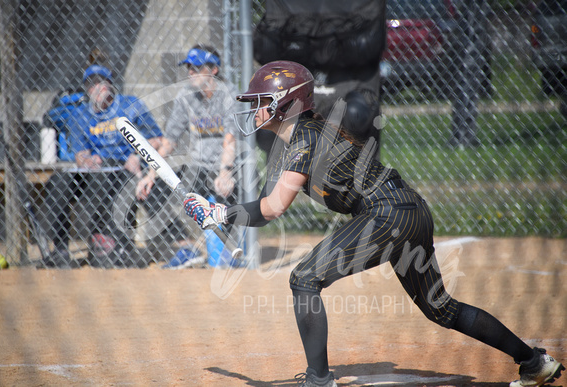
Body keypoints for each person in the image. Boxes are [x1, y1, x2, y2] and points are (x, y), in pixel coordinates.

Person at [182, 61, 564, 386]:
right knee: (441, 309)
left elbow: (274, 207)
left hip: (386, 213)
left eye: (262, 102)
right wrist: (219, 212)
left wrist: (220, 213)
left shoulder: (302, 137)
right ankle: (534, 363)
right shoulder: (293, 142)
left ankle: (319, 380)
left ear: (287, 104)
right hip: (409, 210)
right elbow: (264, 210)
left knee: (304, 278)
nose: (255, 110)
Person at [41, 64, 168, 268]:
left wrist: (136, 155)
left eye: (101, 82)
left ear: (110, 84)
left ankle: (119, 248)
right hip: (96, 171)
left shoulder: (130, 105)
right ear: (86, 90)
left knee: (116, 182)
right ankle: (61, 251)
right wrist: (89, 161)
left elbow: (157, 139)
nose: (97, 88)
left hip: (126, 167)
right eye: (91, 85)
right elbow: (81, 155)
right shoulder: (80, 115)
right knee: (57, 182)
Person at [137, 44, 239, 267]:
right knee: (151, 188)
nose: (190, 72)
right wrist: (150, 175)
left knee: (227, 189)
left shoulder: (229, 95)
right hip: (198, 168)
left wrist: (225, 173)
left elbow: (230, 140)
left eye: (196, 67)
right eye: (188, 67)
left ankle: (229, 254)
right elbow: (169, 141)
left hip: (228, 166)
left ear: (213, 70)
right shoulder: (185, 97)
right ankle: (186, 246)